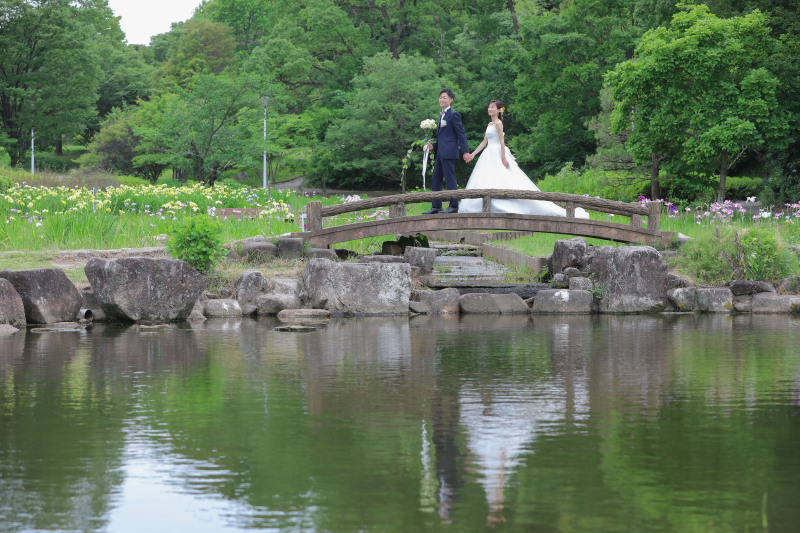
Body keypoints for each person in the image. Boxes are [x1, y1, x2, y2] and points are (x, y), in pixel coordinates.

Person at [459, 100, 589, 218]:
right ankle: (483, 205)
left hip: (497, 152)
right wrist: (473, 154)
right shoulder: (489, 124)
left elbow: (502, 141)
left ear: (499, 110)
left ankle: (504, 204)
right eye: (489, 107)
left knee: (503, 178)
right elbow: (484, 141)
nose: (489, 109)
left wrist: (503, 157)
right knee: (486, 178)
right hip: (488, 153)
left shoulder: (499, 124)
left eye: (492, 107)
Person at [424, 88, 470, 214]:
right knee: (436, 178)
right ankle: (436, 206)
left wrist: (465, 151)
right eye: (440, 97)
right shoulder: (441, 115)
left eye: (444, 97)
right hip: (440, 152)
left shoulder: (453, 114)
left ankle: (454, 205)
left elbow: (461, 134)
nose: (442, 99)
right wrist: (433, 145)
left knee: (450, 178)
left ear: (451, 100)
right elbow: (442, 137)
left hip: (449, 152)